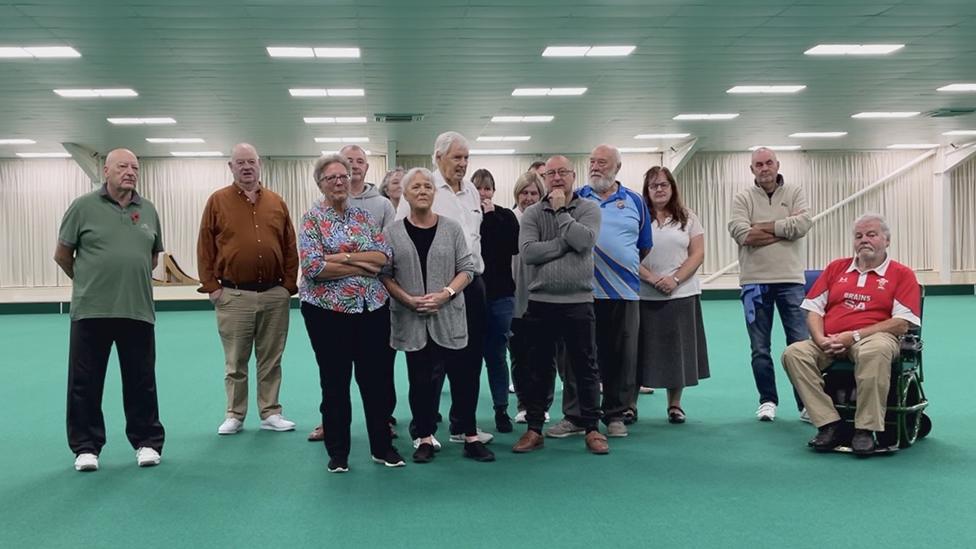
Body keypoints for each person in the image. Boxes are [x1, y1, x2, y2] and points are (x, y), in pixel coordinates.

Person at [54, 148, 166, 472]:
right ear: (106, 170)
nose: (129, 172)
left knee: (142, 380)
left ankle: (146, 442)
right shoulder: (82, 207)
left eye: (134, 167)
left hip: (137, 310)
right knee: (85, 383)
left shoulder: (148, 210)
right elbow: (63, 255)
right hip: (92, 311)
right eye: (122, 166)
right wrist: (89, 280)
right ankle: (86, 448)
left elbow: (152, 257)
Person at [782, 213, 920, 455]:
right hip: (831, 338)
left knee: (875, 352)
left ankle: (865, 430)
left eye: (871, 234)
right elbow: (813, 310)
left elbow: (901, 323)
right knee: (794, 354)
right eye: (858, 236)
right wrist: (820, 339)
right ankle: (829, 424)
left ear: (887, 240)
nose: (864, 240)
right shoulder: (836, 268)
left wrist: (854, 336)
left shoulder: (902, 274)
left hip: (874, 337)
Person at [382, 167, 495, 463]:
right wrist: (408, 299)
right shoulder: (391, 233)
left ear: (434, 193)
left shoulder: (452, 228)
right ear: (405, 195)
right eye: (415, 187)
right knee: (420, 381)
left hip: (452, 315)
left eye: (427, 187)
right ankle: (425, 437)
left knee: (464, 377)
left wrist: (446, 294)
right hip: (413, 318)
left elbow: (467, 269)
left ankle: (470, 436)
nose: (422, 191)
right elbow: (385, 275)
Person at [298, 154, 402, 473]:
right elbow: (313, 267)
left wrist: (341, 257)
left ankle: (381, 447)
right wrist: (359, 260)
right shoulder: (311, 219)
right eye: (332, 178)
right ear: (320, 183)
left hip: (371, 309)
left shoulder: (363, 216)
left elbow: (383, 257)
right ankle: (338, 452)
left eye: (344, 176)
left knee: (376, 381)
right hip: (327, 313)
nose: (340, 181)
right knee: (336, 382)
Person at [197, 143, 299, 435]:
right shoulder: (217, 201)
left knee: (271, 358)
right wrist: (213, 288)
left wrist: (288, 286)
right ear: (231, 167)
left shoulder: (277, 202)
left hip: (274, 295)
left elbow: (289, 246)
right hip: (233, 295)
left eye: (251, 161)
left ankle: (270, 412)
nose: (246, 167)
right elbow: (205, 246)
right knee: (236, 361)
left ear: (260, 164)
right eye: (240, 162)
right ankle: (235, 414)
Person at [512, 154, 608, 455]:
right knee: (538, 370)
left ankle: (592, 428)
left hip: (578, 301)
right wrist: (565, 242)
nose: (555, 178)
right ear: (544, 178)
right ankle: (534, 429)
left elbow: (586, 241)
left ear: (572, 176)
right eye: (550, 173)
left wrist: (561, 213)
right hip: (541, 302)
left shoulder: (589, 208)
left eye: (562, 172)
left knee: (586, 368)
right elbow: (528, 252)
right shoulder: (531, 214)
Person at [728, 147, 813, 422]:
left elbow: (802, 224)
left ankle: (806, 405)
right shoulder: (742, 198)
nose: (764, 168)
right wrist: (782, 230)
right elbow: (743, 234)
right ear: (752, 169)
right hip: (755, 284)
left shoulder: (795, 192)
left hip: (791, 282)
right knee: (760, 348)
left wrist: (762, 226)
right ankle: (767, 401)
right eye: (758, 164)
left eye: (768, 163)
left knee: (799, 345)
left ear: (777, 165)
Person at [572, 144, 652, 437]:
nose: (595, 167)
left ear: (617, 167)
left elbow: (644, 245)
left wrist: (620, 266)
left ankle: (616, 415)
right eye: (592, 161)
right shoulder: (578, 196)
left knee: (620, 357)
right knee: (581, 356)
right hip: (583, 291)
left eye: (602, 162)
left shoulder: (634, 200)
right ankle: (581, 415)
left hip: (624, 292)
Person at [637, 166, 710, 424]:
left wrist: (675, 279)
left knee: (677, 353)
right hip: (643, 294)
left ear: (672, 188)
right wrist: (651, 277)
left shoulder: (689, 217)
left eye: (664, 185)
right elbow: (627, 254)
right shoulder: (638, 217)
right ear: (646, 190)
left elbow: (697, 254)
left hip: (681, 294)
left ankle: (675, 405)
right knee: (638, 352)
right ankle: (629, 406)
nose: (659, 189)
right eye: (653, 185)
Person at [471, 168, 520, 433]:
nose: (483, 193)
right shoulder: (463, 219)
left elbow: (511, 246)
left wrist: (489, 217)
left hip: (500, 295)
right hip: (470, 296)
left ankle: (501, 409)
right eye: (477, 188)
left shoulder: (505, 216)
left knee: (497, 355)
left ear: (493, 191)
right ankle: (464, 414)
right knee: (467, 358)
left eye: (487, 188)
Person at [508, 171, 551, 423]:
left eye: (534, 193)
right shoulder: (509, 219)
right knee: (519, 356)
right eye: (524, 193)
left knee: (544, 356)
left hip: (543, 297)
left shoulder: (548, 220)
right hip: (514, 297)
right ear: (517, 195)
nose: (529, 197)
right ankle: (524, 404)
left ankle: (542, 405)